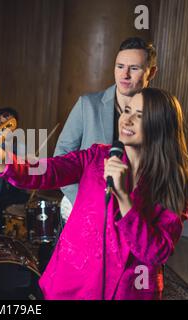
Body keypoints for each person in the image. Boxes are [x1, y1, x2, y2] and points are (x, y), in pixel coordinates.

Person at [0, 87, 188, 299]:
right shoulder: (97, 156)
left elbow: (155, 252)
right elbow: (40, 171)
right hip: (71, 283)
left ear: (160, 126)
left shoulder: (176, 184)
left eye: (139, 116)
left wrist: (125, 199)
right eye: (127, 110)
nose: (126, 120)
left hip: (128, 291)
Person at [54, 37, 157, 225]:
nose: (124, 75)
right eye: (120, 66)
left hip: (131, 215)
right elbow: (61, 158)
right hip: (82, 211)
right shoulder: (88, 105)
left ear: (151, 73)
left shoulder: (160, 113)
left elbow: (167, 163)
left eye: (134, 68)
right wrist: (87, 203)